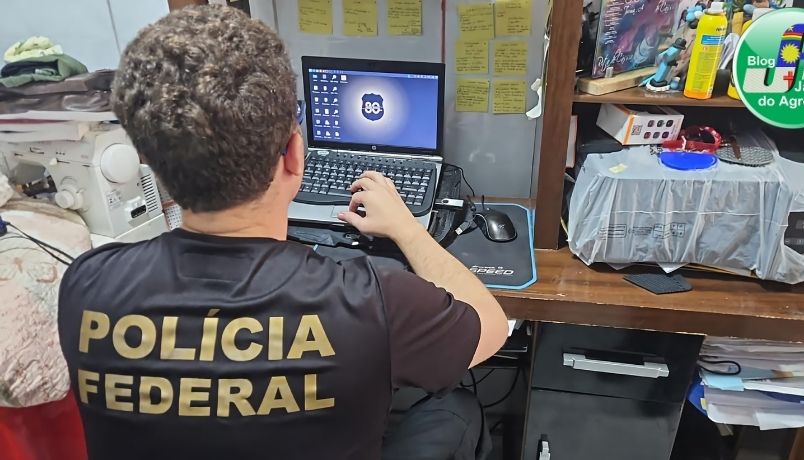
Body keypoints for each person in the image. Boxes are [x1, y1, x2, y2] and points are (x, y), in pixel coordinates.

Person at [56, 5, 509, 460]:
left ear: (150, 164)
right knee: (458, 408)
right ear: (295, 153)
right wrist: (410, 230)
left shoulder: (85, 286)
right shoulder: (373, 300)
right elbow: (489, 327)